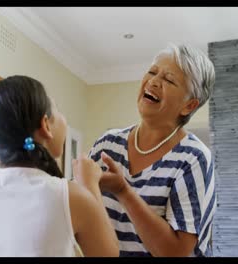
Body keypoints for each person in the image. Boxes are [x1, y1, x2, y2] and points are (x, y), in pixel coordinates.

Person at [0, 75, 119, 257]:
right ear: (45, 125)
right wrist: (90, 184)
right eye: (57, 110)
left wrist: (8, 140)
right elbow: (109, 254)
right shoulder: (71, 196)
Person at [89, 43, 216, 257]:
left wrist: (123, 191)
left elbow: (176, 253)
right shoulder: (107, 144)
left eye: (168, 80)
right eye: (152, 71)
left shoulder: (194, 158)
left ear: (189, 105)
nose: (154, 81)